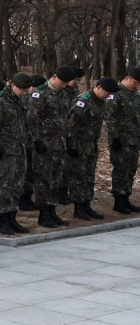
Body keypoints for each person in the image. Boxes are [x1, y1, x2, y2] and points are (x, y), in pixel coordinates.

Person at [26, 65, 77, 227]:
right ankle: (43, 214)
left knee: (56, 179)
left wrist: (68, 138)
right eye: (62, 82)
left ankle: (52, 211)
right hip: (45, 145)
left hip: (59, 145)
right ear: (54, 77)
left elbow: (65, 118)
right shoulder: (39, 93)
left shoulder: (62, 94)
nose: (63, 85)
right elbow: (32, 118)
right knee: (43, 180)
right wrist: (37, 140)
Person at [68, 77, 118, 221]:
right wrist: (71, 143)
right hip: (79, 144)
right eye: (107, 92)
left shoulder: (100, 101)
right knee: (79, 176)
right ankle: (79, 208)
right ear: (99, 88)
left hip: (91, 144)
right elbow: (72, 122)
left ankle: (87, 204)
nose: (109, 96)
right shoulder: (83, 100)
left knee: (89, 176)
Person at [0, 73, 33, 234]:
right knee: (4, 185)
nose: (24, 92)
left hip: (19, 150)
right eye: (22, 89)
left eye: (26, 89)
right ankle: (3, 221)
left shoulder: (19, 100)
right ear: (12, 85)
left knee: (17, 185)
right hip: (4, 152)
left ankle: (12, 217)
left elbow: (23, 125)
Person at [105, 68, 140, 214]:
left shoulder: (135, 95)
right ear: (127, 78)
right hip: (121, 140)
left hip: (134, 139)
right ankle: (118, 200)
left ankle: (126, 197)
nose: (137, 85)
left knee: (130, 170)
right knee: (120, 170)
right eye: (135, 82)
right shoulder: (115, 94)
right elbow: (110, 117)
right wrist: (115, 138)